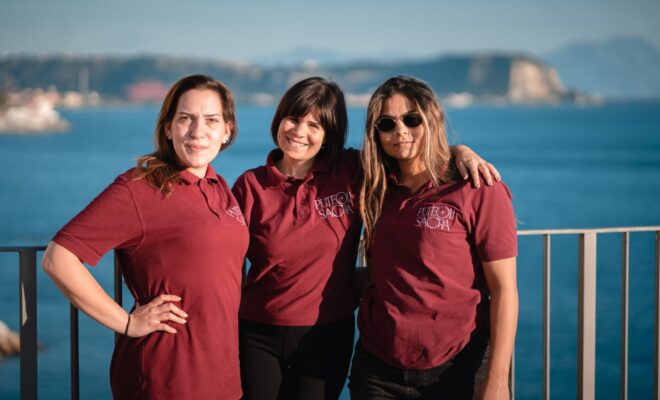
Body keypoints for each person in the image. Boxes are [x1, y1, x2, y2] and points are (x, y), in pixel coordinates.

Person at [232, 76, 501, 400]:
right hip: (258, 329)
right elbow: (227, 259)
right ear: (279, 119)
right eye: (293, 118)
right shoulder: (250, 185)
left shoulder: (351, 170)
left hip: (327, 332)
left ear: (329, 134)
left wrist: (460, 151)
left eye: (315, 124)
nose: (300, 132)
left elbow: (409, 153)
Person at [41, 75, 249, 399]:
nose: (197, 132)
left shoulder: (219, 186)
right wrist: (127, 323)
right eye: (185, 119)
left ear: (227, 131)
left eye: (211, 120)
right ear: (168, 128)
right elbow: (58, 258)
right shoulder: (141, 188)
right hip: (163, 379)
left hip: (223, 380)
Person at [352, 76, 518, 400]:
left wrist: (497, 380)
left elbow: (504, 289)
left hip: (458, 366)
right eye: (387, 123)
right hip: (378, 368)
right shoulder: (376, 186)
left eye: (412, 119)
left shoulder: (476, 187)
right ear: (377, 133)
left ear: (432, 119)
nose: (400, 130)